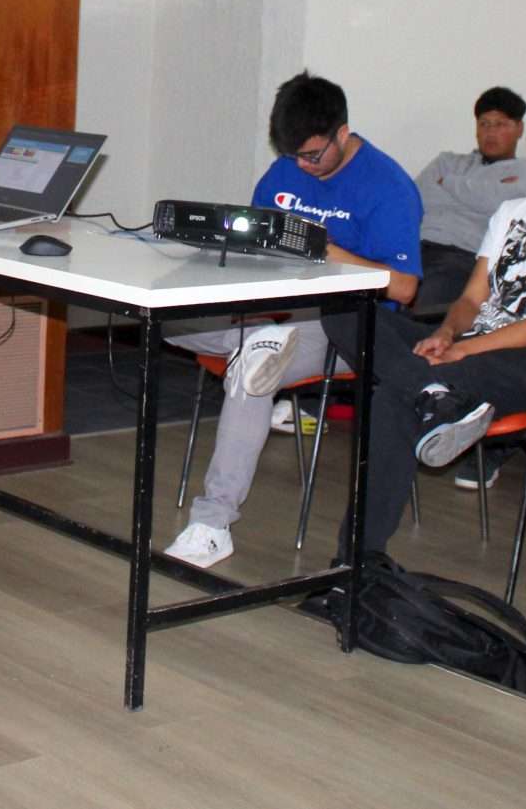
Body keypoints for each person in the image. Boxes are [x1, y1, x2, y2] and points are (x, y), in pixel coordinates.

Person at [336, 84, 526, 554]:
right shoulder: (514, 210)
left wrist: (462, 349)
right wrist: (447, 332)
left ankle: (354, 561)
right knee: (345, 310)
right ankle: (437, 395)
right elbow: (474, 295)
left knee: (393, 396)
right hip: (472, 343)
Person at [163, 72, 422, 568]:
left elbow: (404, 288)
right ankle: (269, 369)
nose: (303, 166)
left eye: (313, 155)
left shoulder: (388, 186)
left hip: (344, 325)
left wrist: (329, 253)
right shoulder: (284, 170)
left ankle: (213, 525)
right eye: (294, 156)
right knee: (170, 321)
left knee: (256, 365)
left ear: (343, 133)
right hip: (272, 307)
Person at [411, 87, 526, 311]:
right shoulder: (447, 161)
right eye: (484, 124)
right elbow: (415, 199)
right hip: (415, 247)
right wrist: (487, 193)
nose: (490, 133)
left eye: (500, 124)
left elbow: (511, 207)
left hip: (464, 257)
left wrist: (449, 184)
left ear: (519, 129)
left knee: (427, 302)